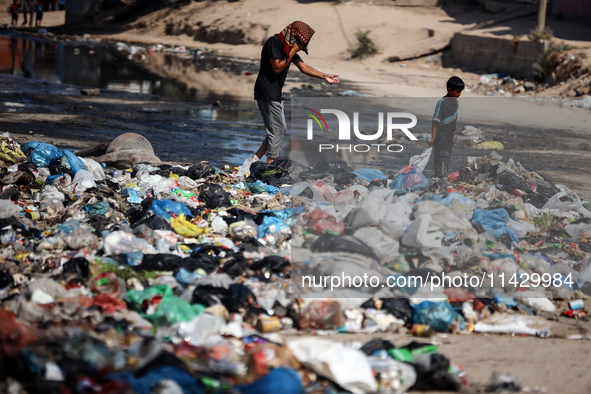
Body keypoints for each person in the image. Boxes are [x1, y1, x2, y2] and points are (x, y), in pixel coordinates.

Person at [253, 21, 339, 164]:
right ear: (294, 36)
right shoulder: (275, 42)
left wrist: (324, 76)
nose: (301, 46)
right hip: (267, 90)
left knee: (278, 129)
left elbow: (304, 67)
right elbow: (277, 68)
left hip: (273, 92)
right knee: (277, 130)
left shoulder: (287, 48)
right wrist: (293, 50)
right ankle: (269, 165)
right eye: (300, 42)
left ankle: (251, 162)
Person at [428, 76, 464, 178]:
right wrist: (433, 138)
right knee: (440, 157)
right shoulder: (442, 103)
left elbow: (454, 115)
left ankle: (443, 176)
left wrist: (455, 125)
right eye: (457, 91)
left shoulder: (455, 102)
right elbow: (435, 121)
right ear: (449, 90)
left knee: (447, 158)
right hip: (441, 137)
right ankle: (439, 177)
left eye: (461, 91)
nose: (459, 94)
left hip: (449, 137)